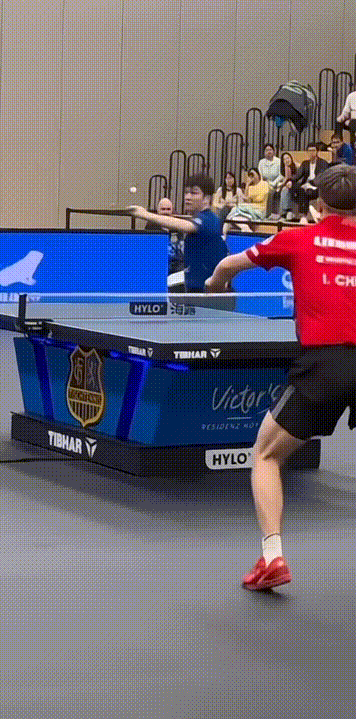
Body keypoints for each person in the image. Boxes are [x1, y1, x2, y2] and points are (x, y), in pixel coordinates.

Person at [204, 164, 356, 590]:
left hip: (325, 364)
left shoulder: (297, 239)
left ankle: (272, 557)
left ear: (319, 202)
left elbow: (230, 264)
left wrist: (215, 284)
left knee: (267, 455)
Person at [128, 174, 227, 293]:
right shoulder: (200, 218)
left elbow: (184, 225)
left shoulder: (209, 219)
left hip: (206, 292)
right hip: (194, 288)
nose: (187, 197)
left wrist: (144, 214)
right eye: (186, 192)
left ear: (206, 198)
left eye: (194, 193)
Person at [285, 143, 329, 221]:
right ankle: (300, 214)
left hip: (317, 186)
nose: (311, 152)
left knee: (304, 192)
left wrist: (310, 184)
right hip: (305, 186)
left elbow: (321, 177)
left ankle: (303, 216)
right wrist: (290, 181)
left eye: (313, 150)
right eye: (309, 151)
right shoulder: (305, 163)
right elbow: (298, 175)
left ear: (317, 151)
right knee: (295, 186)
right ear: (307, 152)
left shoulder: (323, 163)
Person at [223, 168, 269, 237]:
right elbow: (247, 200)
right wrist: (247, 185)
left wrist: (251, 198)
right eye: (250, 175)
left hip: (260, 210)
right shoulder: (250, 187)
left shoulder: (264, 184)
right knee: (230, 219)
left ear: (258, 174)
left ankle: (245, 229)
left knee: (235, 209)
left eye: (253, 174)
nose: (252, 177)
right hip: (249, 209)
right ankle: (224, 235)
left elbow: (261, 198)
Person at [258, 144, 281, 216]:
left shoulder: (278, 161)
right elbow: (260, 175)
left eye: (270, 150)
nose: (269, 152)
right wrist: (265, 184)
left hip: (277, 184)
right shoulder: (261, 162)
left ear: (274, 151)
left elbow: (281, 175)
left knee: (270, 192)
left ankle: (270, 214)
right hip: (265, 184)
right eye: (267, 150)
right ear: (264, 152)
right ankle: (261, 213)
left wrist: (273, 183)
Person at [275, 152, 297, 219]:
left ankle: (285, 213)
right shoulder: (286, 167)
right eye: (284, 159)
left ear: (291, 158)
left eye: (288, 158)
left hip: (296, 184)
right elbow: (286, 179)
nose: (287, 160)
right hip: (289, 184)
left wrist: (282, 185)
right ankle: (285, 213)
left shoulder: (296, 165)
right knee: (282, 190)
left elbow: (294, 178)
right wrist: (280, 185)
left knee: (284, 190)